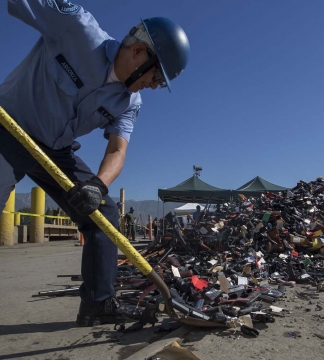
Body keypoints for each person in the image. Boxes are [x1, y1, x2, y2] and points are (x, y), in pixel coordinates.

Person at [0, 1, 189, 327]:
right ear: (140, 52)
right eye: (157, 77)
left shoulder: (130, 102)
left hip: (55, 150)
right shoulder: (76, 28)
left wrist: (97, 185)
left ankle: (98, 304)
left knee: (104, 212)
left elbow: (118, 149)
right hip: (7, 128)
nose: (155, 86)